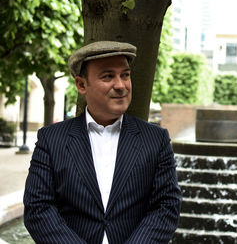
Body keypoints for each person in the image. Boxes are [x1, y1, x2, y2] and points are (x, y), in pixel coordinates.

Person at [23, 41, 182, 244]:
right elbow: (38, 208)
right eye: (108, 76)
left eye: (125, 75)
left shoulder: (156, 139)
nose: (120, 85)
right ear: (81, 85)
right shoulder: (51, 139)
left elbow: (166, 206)